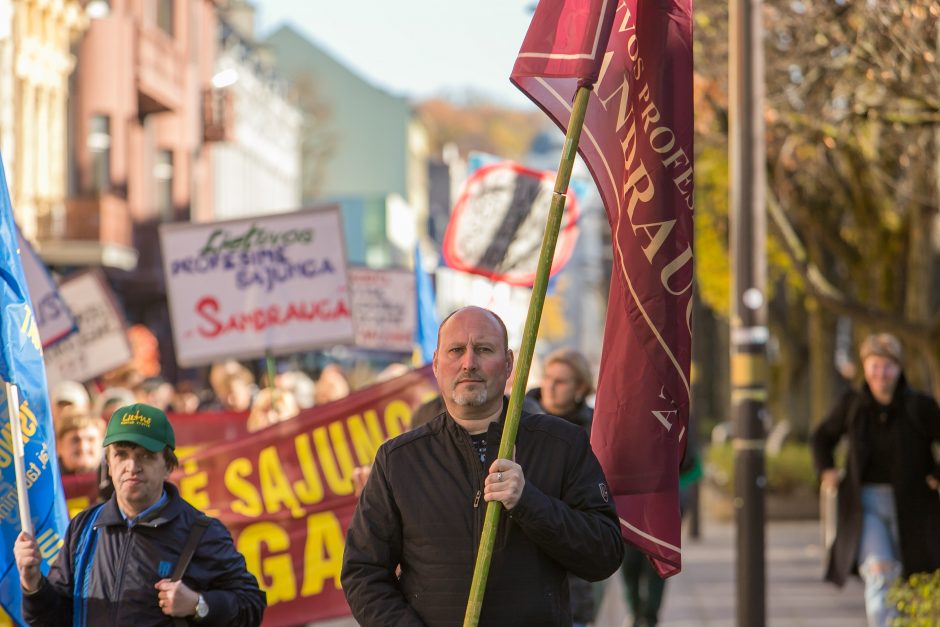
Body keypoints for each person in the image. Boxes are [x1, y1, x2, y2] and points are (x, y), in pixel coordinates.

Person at [341, 306, 623, 626]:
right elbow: (363, 573)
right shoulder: (398, 460)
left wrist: (529, 502)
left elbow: (604, 554)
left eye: (484, 349)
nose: (468, 363)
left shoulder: (561, 444)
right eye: (456, 350)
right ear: (436, 364)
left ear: (508, 364)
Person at [14, 403, 266, 625]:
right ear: (109, 465)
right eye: (121, 455)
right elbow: (52, 620)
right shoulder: (85, 527)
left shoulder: (201, 532)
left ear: (168, 465)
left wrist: (198, 605)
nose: (132, 467)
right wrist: (33, 583)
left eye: (145, 456)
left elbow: (251, 605)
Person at [811, 333, 940, 627]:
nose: (881, 373)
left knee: (914, 575)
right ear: (865, 368)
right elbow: (821, 438)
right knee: (880, 570)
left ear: (899, 368)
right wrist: (826, 469)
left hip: (914, 506)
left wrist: (936, 474)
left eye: (887, 366)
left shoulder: (919, 405)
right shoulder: (852, 404)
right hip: (866, 505)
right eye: (874, 366)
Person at [525, 347, 596, 626]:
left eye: (561, 381)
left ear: (580, 387)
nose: (550, 387)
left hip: (574, 561)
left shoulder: (595, 428)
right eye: (547, 377)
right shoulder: (516, 419)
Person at [55, 409, 106, 475]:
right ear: (59, 446)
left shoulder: (115, 481)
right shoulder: (46, 480)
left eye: (91, 440)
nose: (83, 447)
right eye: (76, 440)